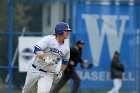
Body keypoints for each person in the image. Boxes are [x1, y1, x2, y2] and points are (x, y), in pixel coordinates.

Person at [22, 22, 71, 93]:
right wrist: (46, 59)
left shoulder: (66, 48)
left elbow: (65, 61)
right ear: (60, 31)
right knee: (27, 91)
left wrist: (61, 71)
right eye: (66, 31)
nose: (68, 33)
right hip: (35, 69)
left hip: (48, 73)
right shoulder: (49, 39)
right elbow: (36, 49)